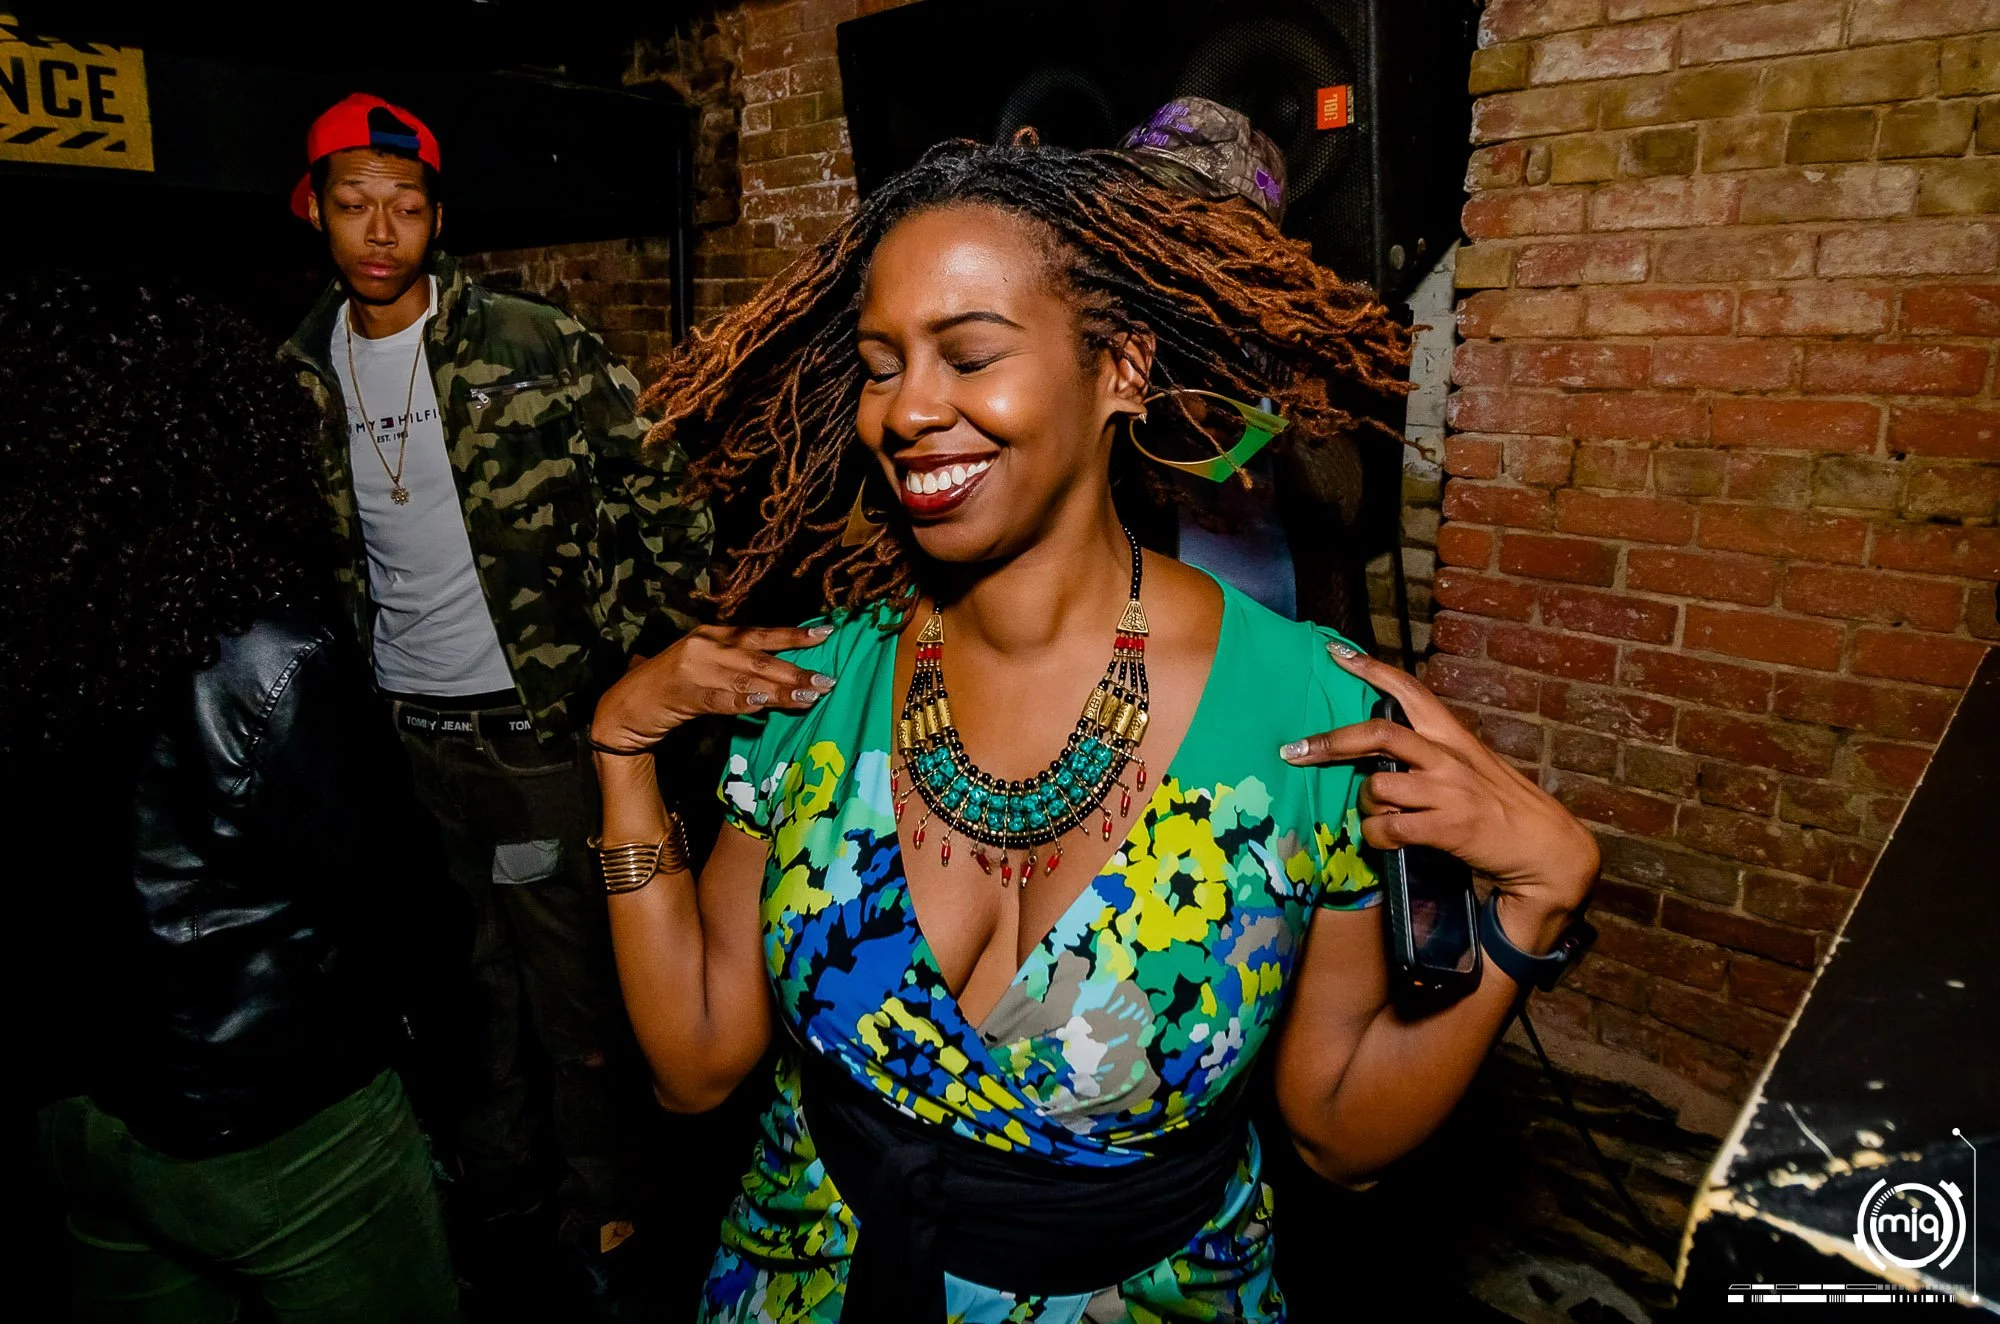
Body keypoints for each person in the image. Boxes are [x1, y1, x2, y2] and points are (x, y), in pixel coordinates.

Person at [586, 138, 1600, 1322]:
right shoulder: (813, 684)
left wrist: (1531, 909)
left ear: (1119, 370)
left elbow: (1340, 1136)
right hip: (803, 1277)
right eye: (879, 366)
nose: (907, 410)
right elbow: (695, 1065)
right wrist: (619, 758)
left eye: (969, 355)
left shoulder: (1306, 715)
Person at [277, 92, 712, 1307]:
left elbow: (664, 499)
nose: (380, 230)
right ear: (314, 212)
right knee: (458, 993)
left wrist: (638, 668)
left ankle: (609, 1213)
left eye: (405, 206)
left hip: (537, 734)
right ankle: (503, 1210)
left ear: (437, 217)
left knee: (574, 997)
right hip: (399, 743)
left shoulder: (531, 341)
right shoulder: (295, 374)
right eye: (354, 204)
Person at [6, 272, 457, 1322]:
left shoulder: (33, 621)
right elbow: (390, 895)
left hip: (83, 1109)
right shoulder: (268, 656)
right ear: (217, 431)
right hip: (278, 1133)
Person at [1113, 96, 1381, 644]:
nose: (1158, 228)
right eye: (1141, 204)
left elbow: (1348, 505)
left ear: (1251, 239)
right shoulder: (1109, 329)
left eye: (1187, 209)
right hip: (1150, 644)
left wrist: (1284, 393)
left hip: (1284, 638)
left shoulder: (1300, 336)